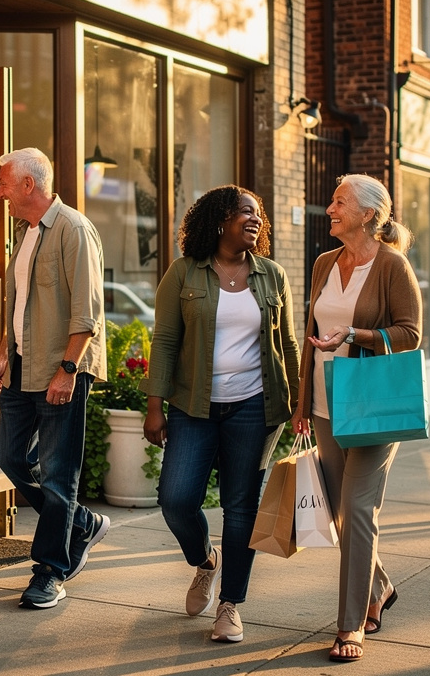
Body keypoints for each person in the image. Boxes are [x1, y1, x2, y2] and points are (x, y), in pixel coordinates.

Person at [140, 185, 301, 643]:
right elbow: (165, 342)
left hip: (255, 407)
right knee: (176, 499)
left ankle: (231, 604)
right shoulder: (184, 273)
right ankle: (204, 560)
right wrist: (155, 406)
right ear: (219, 220)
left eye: (258, 215)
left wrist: (299, 400)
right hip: (193, 406)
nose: (255, 220)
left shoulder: (272, 275)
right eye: (244, 213)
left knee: (240, 508)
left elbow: (287, 344)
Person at [293, 174, 422, 663]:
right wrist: (303, 402)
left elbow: (409, 334)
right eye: (332, 201)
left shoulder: (392, 266)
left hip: (370, 406)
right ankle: (381, 585)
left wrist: (357, 334)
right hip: (326, 406)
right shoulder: (325, 262)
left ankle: (350, 626)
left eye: (339, 201)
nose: (330, 208)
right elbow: (311, 330)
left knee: (359, 510)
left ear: (368, 214)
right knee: (343, 513)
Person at [0, 147, 109, 610]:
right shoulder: (26, 233)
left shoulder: (73, 229)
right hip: (21, 368)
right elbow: (17, 309)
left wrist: (68, 369)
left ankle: (50, 571)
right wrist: (0, 358)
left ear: (28, 186)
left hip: (60, 371)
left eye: (4, 185)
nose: (0, 194)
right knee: (11, 456)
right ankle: (80, 522)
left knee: (57, 474)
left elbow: (87, 312)